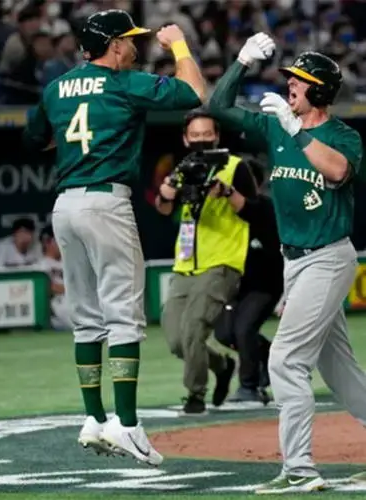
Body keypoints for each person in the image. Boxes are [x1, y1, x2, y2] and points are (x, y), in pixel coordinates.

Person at [22, 9, 205, 465]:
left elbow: (36, 139)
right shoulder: (125, 83)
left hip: (65, 204)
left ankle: (93, 417)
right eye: (130, 40)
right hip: (106, 200)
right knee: (124, 317)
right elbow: (194, 93)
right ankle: (126, 424)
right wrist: (178, 45)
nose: (136, 47)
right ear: (114, 45)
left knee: (86, 319)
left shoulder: (56, 87)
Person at [208, 36, 366, 493]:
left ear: (319, 92)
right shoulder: (278, 125)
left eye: (299, 82)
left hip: (328, 258)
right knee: (339, 369)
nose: (290, 87)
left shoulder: (342, 135)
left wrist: (296, 132)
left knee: (286, 359)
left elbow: (336, 172)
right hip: (294, 263)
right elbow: (218, 108)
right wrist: (239, 62)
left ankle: (299, 468)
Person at [154, 110, 258, 415]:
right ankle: (222, 364)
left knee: (194, 329)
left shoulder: (236, 167)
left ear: (217, 136)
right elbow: (163, 208)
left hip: (222, 261)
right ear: (186, 138)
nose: (201, 141)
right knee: (176, 340)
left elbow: (254, 210)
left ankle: (195, 395)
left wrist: (226, 192)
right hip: (186, 264)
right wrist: (165, 192)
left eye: (207, 135)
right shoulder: (183, 168)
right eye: (195, 136)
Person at [211, 160, 280, 406]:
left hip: (265, 284)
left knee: (243, 329)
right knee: (224, 333)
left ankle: (250, 387)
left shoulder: (264, 208)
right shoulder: (223, 212)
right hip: (236, 285)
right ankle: (270, 355)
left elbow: (278, 250)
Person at [37, 226, 70, 331]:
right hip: (57, 304)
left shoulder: (69, 262)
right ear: (47, 242)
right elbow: (48, 287)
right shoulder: (40, 265)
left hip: (73, 300)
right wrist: (70, 289)